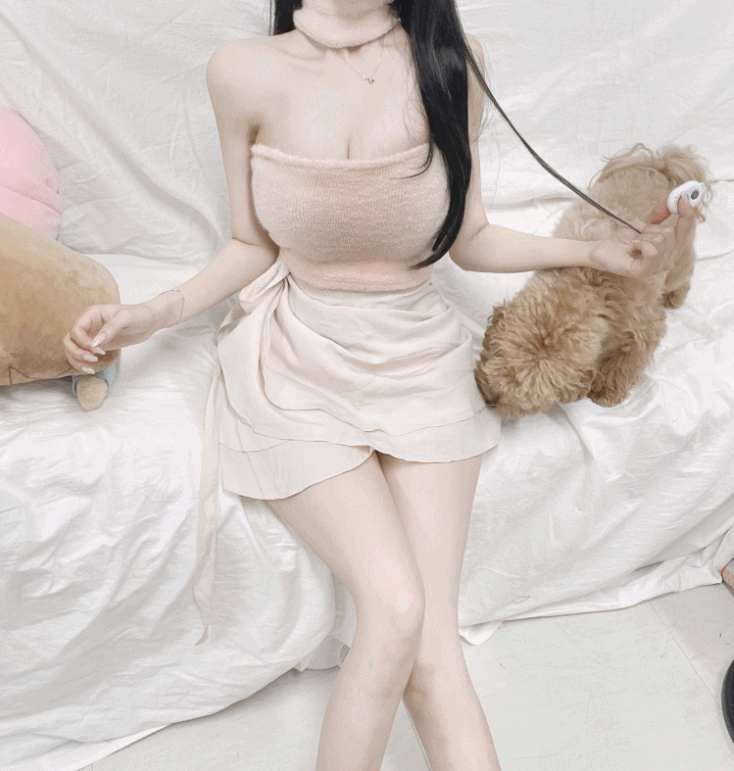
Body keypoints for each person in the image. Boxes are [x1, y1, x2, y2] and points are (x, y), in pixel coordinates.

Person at [63, 1, 695, 769]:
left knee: (433, 653)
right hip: (297, 363)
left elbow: (470, 237)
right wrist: (151, 314)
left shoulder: (452, 62)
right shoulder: (242, 72)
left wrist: (596, 255)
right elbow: (249, 242)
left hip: (418, 359)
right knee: (395, 605)